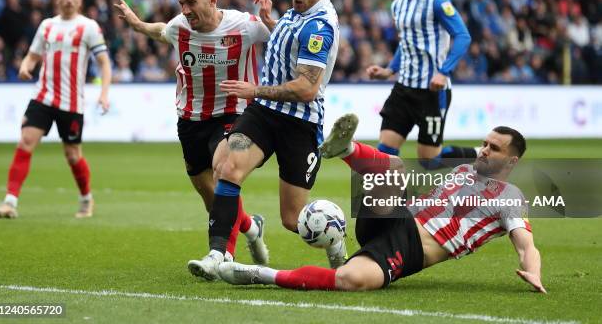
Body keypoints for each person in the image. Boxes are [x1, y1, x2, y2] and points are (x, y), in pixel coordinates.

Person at [218, 113, 546, 294]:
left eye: (494, 148)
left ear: (511, 161)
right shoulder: (463, 169)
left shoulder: (510, 197)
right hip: (396, 219)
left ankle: (260, 274)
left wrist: (533, 273)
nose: (484, 150)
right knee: (394, 169)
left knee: (351, 281)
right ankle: (345, 150)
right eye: (485, 143)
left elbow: (526, 244)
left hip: (412, 248)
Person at [188, 0, 342, 280]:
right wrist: (270, 20)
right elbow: (286, 44)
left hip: (299, 122)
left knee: (293, 218)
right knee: (228, 168)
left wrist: (254, 90)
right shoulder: (296, 13)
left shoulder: (320, 26)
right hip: (264, 114)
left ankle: (334, 239)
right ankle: (218, 254)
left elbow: (306, 89)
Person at [113, 0, 270, 267]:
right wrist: (135, 23)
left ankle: (222, 254)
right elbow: (160, 31)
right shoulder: (179, 26)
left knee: (224, 169)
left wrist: (272, 18)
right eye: (181, 3)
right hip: (191, 118)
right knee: (209, 194)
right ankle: (251, 227)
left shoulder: (245, 26)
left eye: (191, 2)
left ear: (212, 0)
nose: (185, 10)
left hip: (232, 112)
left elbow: (281, 37)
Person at [0, 0, 112, 219]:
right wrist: (26, 66)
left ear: (80, 1)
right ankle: (10, 202)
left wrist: (104, 93)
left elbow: (104, 63)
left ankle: (86, 198)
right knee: (25, 141)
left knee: (73, 155)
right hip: (42, 97)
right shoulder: (47, 25)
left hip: (72, 102)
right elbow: (32, 56)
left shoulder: (89, 27)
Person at [366, 0, 477, 169]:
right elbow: (407, 42)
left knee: (429, 161)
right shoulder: (397, 5)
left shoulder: (437, 0)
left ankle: (479, 154)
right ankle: (389, 202)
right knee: (384, 154)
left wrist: (443, 72)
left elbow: (463, 36)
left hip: (432, 92)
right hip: (403, 89)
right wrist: (389, 70)